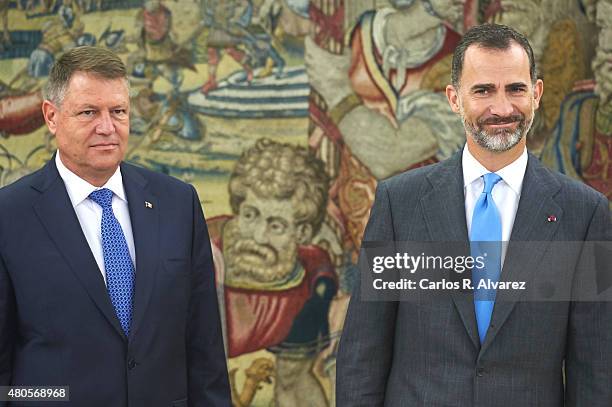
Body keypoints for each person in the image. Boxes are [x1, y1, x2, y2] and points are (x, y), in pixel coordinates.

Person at [336, 23, 612, 406]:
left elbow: (596, 371)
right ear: (454, 98)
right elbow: (361, 356)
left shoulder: (587, 215)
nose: (502, 108)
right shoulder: (399, 204)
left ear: (536, 94)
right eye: (483, 90)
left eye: (515, 89)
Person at [0, 46, 231, 407]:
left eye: (118, 112)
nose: (106, 127)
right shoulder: (9, 216)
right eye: (89, 112)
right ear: (51, 116)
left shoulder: (178, 203)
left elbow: (205, 352)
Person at [208, 139, 337, 407]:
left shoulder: (312, 283)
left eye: (275, 225)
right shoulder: (200, 256)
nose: (257, 236)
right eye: (250, 215)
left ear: (301, 233)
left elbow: (294, 385)